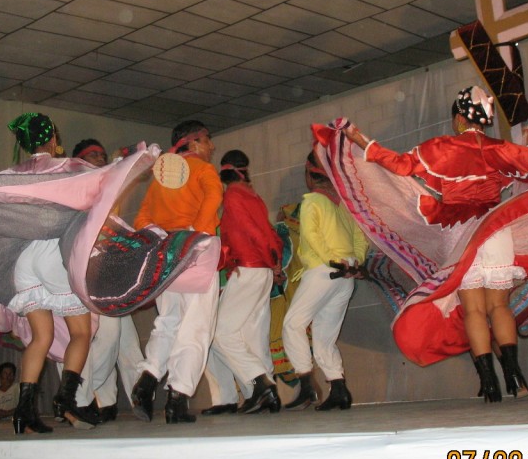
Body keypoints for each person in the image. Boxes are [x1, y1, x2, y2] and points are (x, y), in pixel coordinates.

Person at [343, 86, 528, 401]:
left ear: (459, 119)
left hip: (461, 229)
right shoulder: (499, 148)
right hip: (495, 226)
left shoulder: (443, 148)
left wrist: (361, 140)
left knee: (473, 310)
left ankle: (490, 385)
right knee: (499, 306)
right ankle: (515, 379)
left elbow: (399, 165)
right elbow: (522, 172)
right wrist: (526, 145)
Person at [3, 112, 94, 435]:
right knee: (81, 332)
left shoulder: (9, 175)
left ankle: (23, 412)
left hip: (22, 258)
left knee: (41, 337)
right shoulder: (69, 167)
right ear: (53, 138)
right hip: (52, 252)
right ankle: (64, 401)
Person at [131, 120, 222, 424]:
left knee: (168, 321)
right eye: (207, 140)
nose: (212, 146)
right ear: (193, 142)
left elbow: (141, 217)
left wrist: (163, 238)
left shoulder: (161, 178)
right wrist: (196, 233)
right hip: (195, 253)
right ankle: (177, 398)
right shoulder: (203, 169)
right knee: (196, 325)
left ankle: (146, 381)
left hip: (166, 256)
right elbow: (214, 197)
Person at [281, 151, 368, 411]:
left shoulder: (311, 202)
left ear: (309, 175)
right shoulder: (344, 206)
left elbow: (311, 235)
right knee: (325, 336)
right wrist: (355, 262)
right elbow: (360, 238)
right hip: (345, 276)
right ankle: (339, 389)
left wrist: (332, 260)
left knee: (292, 325)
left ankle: (306, 383)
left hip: (324, 271)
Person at [68, 138, 145, 424]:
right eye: (93, 155)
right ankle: (81, 396)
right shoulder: (77, 188)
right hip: (90, 273)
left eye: (101, 154)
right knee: (109, 336)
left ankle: (132, 398)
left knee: (128, 342)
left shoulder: (104, 185)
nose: (100, 158)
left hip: (110, 270)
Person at [203, 150, 283, 415]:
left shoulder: (233, 196)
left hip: (248, 269)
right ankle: (261, 395)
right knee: (254, 336)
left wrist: (269, 260)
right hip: (261, 270)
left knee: (218, 332)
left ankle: (261, 384)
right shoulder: (253, 196)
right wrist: (274, 261)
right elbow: (268, 233)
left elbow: (252, 232)